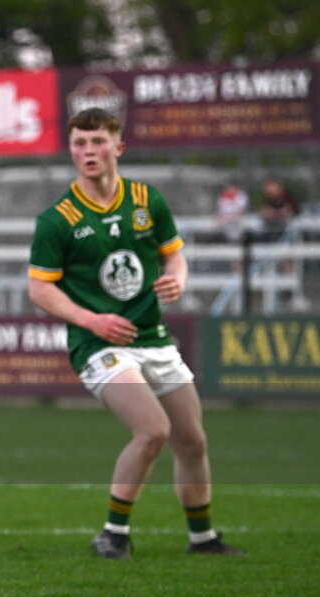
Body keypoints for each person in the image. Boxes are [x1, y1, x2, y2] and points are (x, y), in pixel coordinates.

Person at [28, 107, 244, 560]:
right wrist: (93, 321)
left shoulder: (147, 200)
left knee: (193, 439)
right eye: (80, 144)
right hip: (99, 345)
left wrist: (179, 278)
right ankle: (113, 533)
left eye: (98, 142)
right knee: (152, 430)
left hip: (153, 337)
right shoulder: (57, 219)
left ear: (118, 147)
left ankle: (202, 539)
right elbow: (39, 289)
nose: (88, 151)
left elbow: (174, 256)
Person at [258, 178, 298, 243]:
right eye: (268, 193)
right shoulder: (269, 201)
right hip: (273, 230)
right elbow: (264, 212)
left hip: (288, 231)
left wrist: (274, 213)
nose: (271, 195)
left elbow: (286, 212)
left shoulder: (287, 198)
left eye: (272, 192)